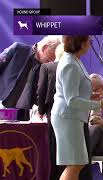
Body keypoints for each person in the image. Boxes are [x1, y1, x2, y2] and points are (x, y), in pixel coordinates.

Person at [51, 35, 103, 180]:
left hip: (72, 117)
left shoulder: (74, 61)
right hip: (67, 117)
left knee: (77, 163)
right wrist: (99, 104)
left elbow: (75, 92)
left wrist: (90, 96)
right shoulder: (70, 64)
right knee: (75, 164)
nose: (91, 44)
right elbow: (71, 100)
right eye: (90, 41)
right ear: (82, 44)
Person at [0, 36, 61, 120]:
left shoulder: (45, 67)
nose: (52, 60)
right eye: (52, 56)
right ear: (44, 48)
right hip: (3, 107)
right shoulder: (18, 49)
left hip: (26, 114)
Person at [37, 43, 65, 179]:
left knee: (53, 148)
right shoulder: (77, 67)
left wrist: (40, 111)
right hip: (71, 114)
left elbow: (41, 92)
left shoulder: (46, 67)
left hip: (52, 112)